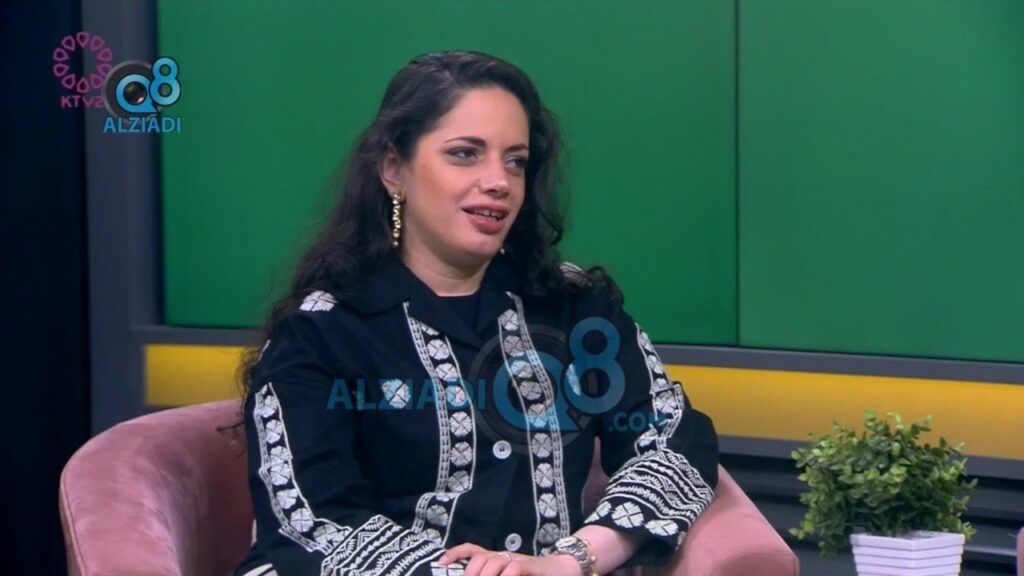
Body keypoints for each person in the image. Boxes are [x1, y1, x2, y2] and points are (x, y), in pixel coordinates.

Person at [234, 50, 719, 576]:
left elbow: (671, 440)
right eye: (465, 154)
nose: (499, 181)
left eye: (516, 161)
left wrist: (568, 562)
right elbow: (313, 521)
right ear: (394, 169)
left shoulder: (575, 307)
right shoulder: (322, 330)